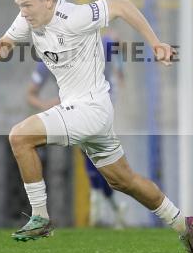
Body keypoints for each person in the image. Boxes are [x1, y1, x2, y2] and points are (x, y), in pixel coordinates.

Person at [0, 0, 193, 253]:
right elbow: (7, 46)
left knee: (20, 137)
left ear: (48, 1)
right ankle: (184, 224)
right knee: (123, 181)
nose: (22, 12)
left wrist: (155, 43)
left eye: (27, 5)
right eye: (20, 6)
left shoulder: (75, 16)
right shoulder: (28, 18)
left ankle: (40, 217)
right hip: (88, 112)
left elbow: (123, 5)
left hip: (90, 108)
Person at [26, 35, 127, 228]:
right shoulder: (47, 58)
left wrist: (120, 69)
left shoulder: (91, 43)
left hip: (101, 105)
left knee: (94, 152)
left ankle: (98, 197)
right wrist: (49, 104)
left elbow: (117, 42)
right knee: (97, 157)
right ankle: (112, 204)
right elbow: (30, 94)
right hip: (74, 110)